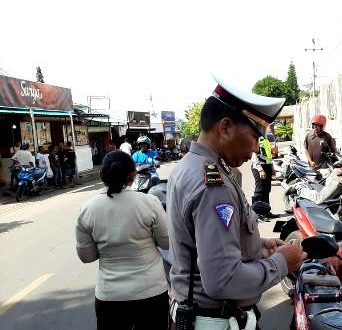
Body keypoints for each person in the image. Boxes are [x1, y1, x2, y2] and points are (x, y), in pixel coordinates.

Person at [166, 77, 306, 329]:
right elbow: (224, 279)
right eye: (254, 136)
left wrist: (259, 247)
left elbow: (205, 245)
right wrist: (282, 263)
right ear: (226, 127)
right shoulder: (212, 186)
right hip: (215, 320)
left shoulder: (191, 166)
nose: (255, 148)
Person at [76, 150, 169, 330]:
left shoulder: (87, 209)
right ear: (132, 175)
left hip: (110, 297)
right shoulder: (150, 202)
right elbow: (166, 243)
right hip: (151, 292)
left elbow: (86, 257)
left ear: (102, 175)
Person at [250, 135, 275, 211]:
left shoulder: (265, 138)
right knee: (260, 190)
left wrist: (272, 167)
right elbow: (254, 155)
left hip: (267, 166)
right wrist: (260, 170)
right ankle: (258, 212)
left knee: (267, 189)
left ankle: (266, 211)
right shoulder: (255, 138)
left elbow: (268, 155)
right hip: (259, 166)